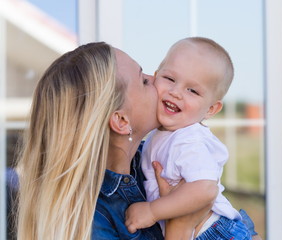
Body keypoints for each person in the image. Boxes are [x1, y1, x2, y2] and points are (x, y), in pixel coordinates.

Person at [15, 42, 210, 240]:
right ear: (121, 121)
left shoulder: (157, 156)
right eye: (143, 81)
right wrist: (181, 227)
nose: (156, 79)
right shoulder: (93, 224)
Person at [125, 37, 261, 240]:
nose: (176, 92)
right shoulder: (162, 134)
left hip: (213, 233)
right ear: (155, 77)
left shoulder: (188, 139)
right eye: (170, 79)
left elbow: (205, 190)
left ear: (211, 109)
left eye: (193, 90)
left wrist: (153, 210)